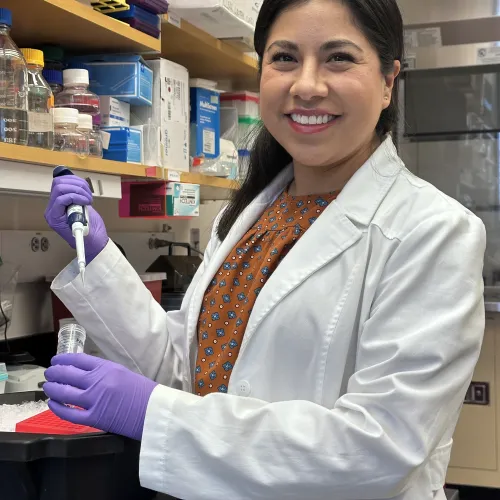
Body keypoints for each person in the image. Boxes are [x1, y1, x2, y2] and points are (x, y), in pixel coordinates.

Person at [43, 0, 486, 499]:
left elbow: (378, 448)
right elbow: (191, 372)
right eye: (284, 58)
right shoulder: (249, 217)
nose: (306, 85)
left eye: (338, 57)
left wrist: (154, 413)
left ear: (388, 81)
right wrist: (97, 256)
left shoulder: (434, 232)